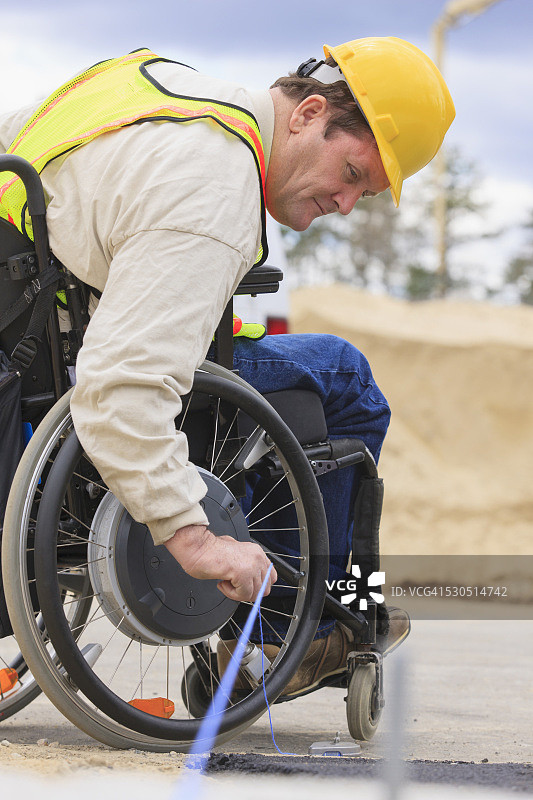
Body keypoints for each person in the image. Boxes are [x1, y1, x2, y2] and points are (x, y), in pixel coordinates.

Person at [0, 38, 454, 695]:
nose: (347, 204)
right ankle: (293, 632)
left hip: (27, 360)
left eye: (366, 195)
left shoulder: (144, 83)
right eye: (352, 174)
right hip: (78, 372)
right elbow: (120, 391)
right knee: (338, 372)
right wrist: (192, 536)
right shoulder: (214, 188)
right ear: (307, 114)